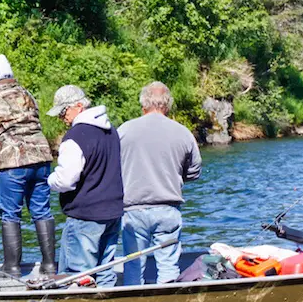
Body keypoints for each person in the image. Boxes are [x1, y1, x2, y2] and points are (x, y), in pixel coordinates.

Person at [0, 55, 56, 277]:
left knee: (10, 214)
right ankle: (50, 266)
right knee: (42, 211)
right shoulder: (26, 93)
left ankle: (11, 267)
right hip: (42, 157)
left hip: (13, 161)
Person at [119, 82, 202, 285]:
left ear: (143, 104)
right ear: (167, 105)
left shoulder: (124, 131)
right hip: (167, 208)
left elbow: (112, 168)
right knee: (168, 265)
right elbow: (194, 172)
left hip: (133, 210)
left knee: (133, 264)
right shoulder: (183, 133)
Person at [46, 85, 124, 287]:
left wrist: (49, 180)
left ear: (79, 106)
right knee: (105, 271)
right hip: (113, 213)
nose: (61, 117)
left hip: (85, 216)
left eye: (64, 111)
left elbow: (65, 180)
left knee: (76, 276)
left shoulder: (75, 137)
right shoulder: (112, 132)